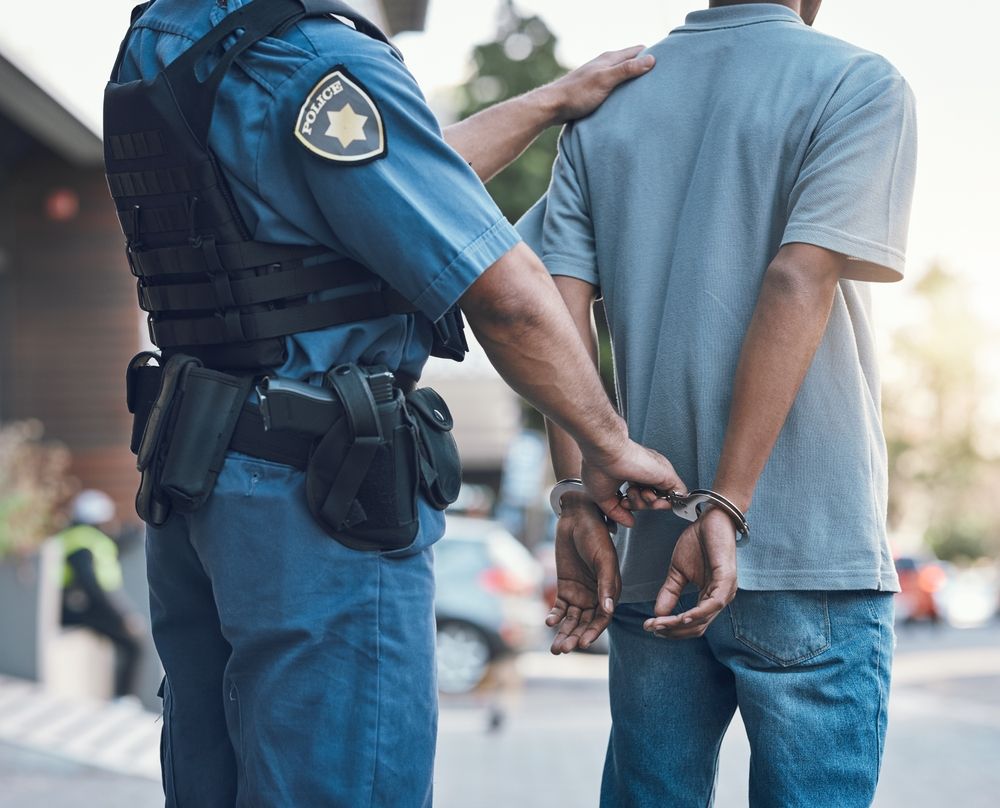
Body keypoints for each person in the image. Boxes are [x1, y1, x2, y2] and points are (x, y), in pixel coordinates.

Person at [104, 1, 684, 805]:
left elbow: (387, 186)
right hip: (320, 503)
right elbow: (510, 301)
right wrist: (608, 444)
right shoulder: (311, 60)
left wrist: (549, 102)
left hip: (203, 481)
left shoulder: (166, 40)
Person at [520, 1, 917, 805]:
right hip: (807, 551)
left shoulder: (606, 107)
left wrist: (578, 496)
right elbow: (796, 278)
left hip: (647, 548)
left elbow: (554, 312)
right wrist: (727, 507)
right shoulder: (855, 82)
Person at [59, 490, 145, 699]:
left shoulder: (81, 537)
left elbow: (117, 543)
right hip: (81, 607)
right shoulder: (83, 542)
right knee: (134, 644)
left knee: (131, 643)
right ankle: (123, 699)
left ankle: (122, 699)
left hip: (81, 606)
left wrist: (137, 531)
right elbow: (91, 586)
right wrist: (121, 616)